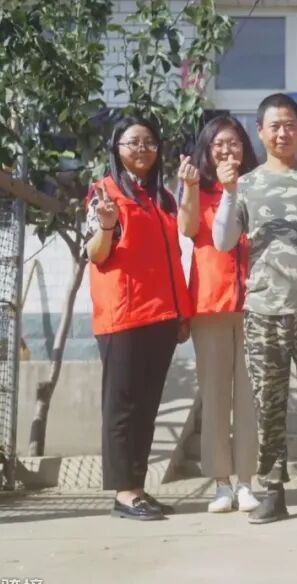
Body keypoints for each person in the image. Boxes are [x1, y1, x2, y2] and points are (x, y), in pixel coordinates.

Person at [212, 94, 297, 524]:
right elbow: (223, 242)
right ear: (261, 132)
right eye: (275, 126)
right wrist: (228, 192)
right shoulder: (246, 184)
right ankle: (272, 491)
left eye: (290, 125)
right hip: (264, 310)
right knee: (268, 406)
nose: (283, 133)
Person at [85, 116, 192, 521]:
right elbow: (96, 254)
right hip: (124, 315)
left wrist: (181, 312)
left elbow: (173, 256)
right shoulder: (104, 192)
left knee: (146, 407)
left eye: (149, 141)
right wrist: (107, 225)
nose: (142, 149)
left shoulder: (162, 197)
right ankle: (124, 493)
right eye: (133, 142)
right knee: (123, 407)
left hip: (162, 315)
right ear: (116, 149)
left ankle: (138, 487)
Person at [178, 116, 261, 514]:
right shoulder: (199, 188)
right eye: (219, 144)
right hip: (209, 303)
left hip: (255, 303)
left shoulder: (258, 185)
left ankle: (246, 481)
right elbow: (187, 228)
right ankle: (220, 483)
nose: (227, 150)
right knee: (214, 396)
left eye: (234, 143)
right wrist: (191, 188)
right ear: (207, 151)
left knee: (249, 396)